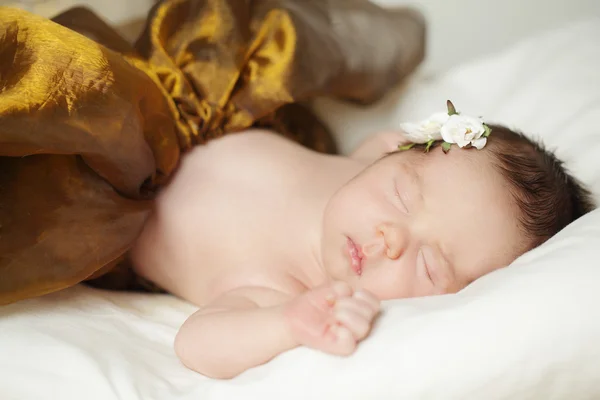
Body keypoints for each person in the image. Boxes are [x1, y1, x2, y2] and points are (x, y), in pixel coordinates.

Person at [129, 104, 594, 379]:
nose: (391, 238)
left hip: (111, 198)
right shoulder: (368, 162)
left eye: (429, 265)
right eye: (401, 193)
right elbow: (385, 142)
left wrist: (289, 324)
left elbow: (198, 342)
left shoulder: (284, 285)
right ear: (396, 154)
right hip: (176, 114)